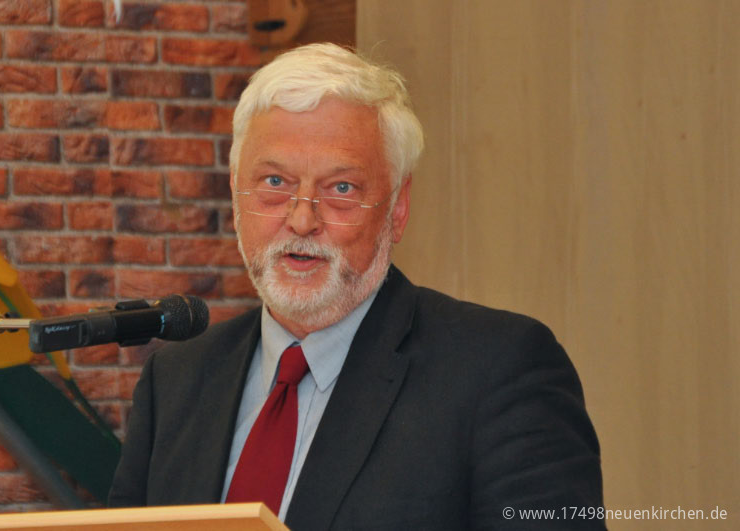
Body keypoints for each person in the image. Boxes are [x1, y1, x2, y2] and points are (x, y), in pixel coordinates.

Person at [109, 43, 604, 530]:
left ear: (397, 208)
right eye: (275, 182)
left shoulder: (500, 371)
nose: (302, 220)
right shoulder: (175, 382)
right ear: (236, 193)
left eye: (341, 189)